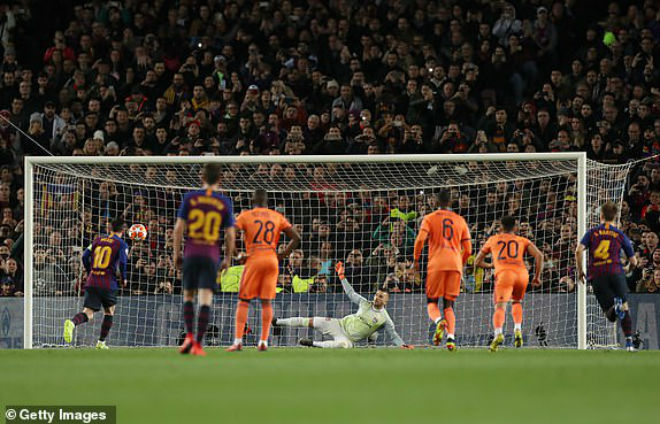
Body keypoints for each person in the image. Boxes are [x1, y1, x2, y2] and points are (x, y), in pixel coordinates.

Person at [173, 163, 236, 356]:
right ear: (220, 179)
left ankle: (189, 337)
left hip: (191, 252)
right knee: (205, 300)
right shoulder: (224, 202)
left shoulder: (190, 197)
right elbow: (230, 234)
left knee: (188, 296)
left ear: (202, 177)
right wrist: (227, 258)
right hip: (211, 255)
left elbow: (178, 228)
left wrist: (176, 254)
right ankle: (198, 344)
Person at [273, 262, 412, 349]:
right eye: (376, 295)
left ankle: (312, 343)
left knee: (343, 345)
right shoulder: (365, 303)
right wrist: (342, 277)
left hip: (348, 339)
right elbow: (351, 293)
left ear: (386, 301)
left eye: (381, 297)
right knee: (310, 321)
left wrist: (403, 345)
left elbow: (393, 335)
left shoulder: (385, 319)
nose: (376, 298)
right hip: (338, 324)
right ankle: (278, 322)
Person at [226, 189, 300, 352]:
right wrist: (282, 255)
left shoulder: (246, 215)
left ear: (253, 200)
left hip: (254, 258)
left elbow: (229, 234)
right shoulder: (277, 216)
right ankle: (263, 341)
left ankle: (238, 341)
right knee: (266, 301)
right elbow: (296, 238)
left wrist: (237, 255)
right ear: (267, 202)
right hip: (271, 260)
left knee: (244, 301)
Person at [575, 201, 639, 351]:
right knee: (625, 307)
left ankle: (615, 309)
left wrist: (580, 271)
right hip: (616, 272)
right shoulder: (619, 234)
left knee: (610, 316)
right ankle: (629, 343)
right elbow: (634, 261)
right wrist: (628, 268)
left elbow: (578, 250)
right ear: (615, 216)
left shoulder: (592, 232)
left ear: (601, 215)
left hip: (597, 275)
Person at [474, 216, 544, 351]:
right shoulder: (522, 240)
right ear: (515, 227)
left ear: (500, 226)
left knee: (500, 306)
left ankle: (498, 333)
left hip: (504, 274)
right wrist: (537, 277)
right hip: (522, 274)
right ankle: (517, 329)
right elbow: (539, 256)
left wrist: (490, 265)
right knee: (516, 302)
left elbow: (477, 262)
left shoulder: (493, 239)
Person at [413, 190, 471, 350]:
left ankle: (439, 321)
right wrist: (460, 263)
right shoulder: (460, 220)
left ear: (436, 202)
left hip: (437, 264)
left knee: (432, 302)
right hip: (455, 265)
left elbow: (420, 240)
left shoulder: (429, 218)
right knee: (449, 304)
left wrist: (416, 260)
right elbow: (468, 249)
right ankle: (451, 338)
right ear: (451, 202)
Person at [63, 217, 128, 349]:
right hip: (108, 282)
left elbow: (84, 256)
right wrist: (124, 278)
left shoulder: (97, 240)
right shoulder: (121, 244)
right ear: (123, 230)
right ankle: (101, 342)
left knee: (88, 313)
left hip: (92, 281)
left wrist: (89, 271)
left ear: (110, 229)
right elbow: (122, 262)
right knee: (109, 311)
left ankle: (72, 323)